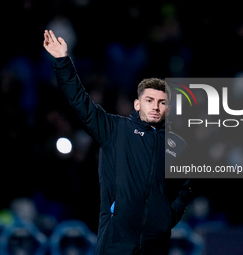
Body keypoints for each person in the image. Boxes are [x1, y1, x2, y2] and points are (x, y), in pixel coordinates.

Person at [43, 30, 191, 255]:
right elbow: (80, 101)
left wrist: (168, 217)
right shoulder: (114, 129)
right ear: (137, 104)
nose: (155, 106)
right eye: (149, 100)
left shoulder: (175, 144)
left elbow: (185, 184)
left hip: (155, 244)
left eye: (161, 102)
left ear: (167, 109)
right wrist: (63, 61)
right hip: (116, 241)